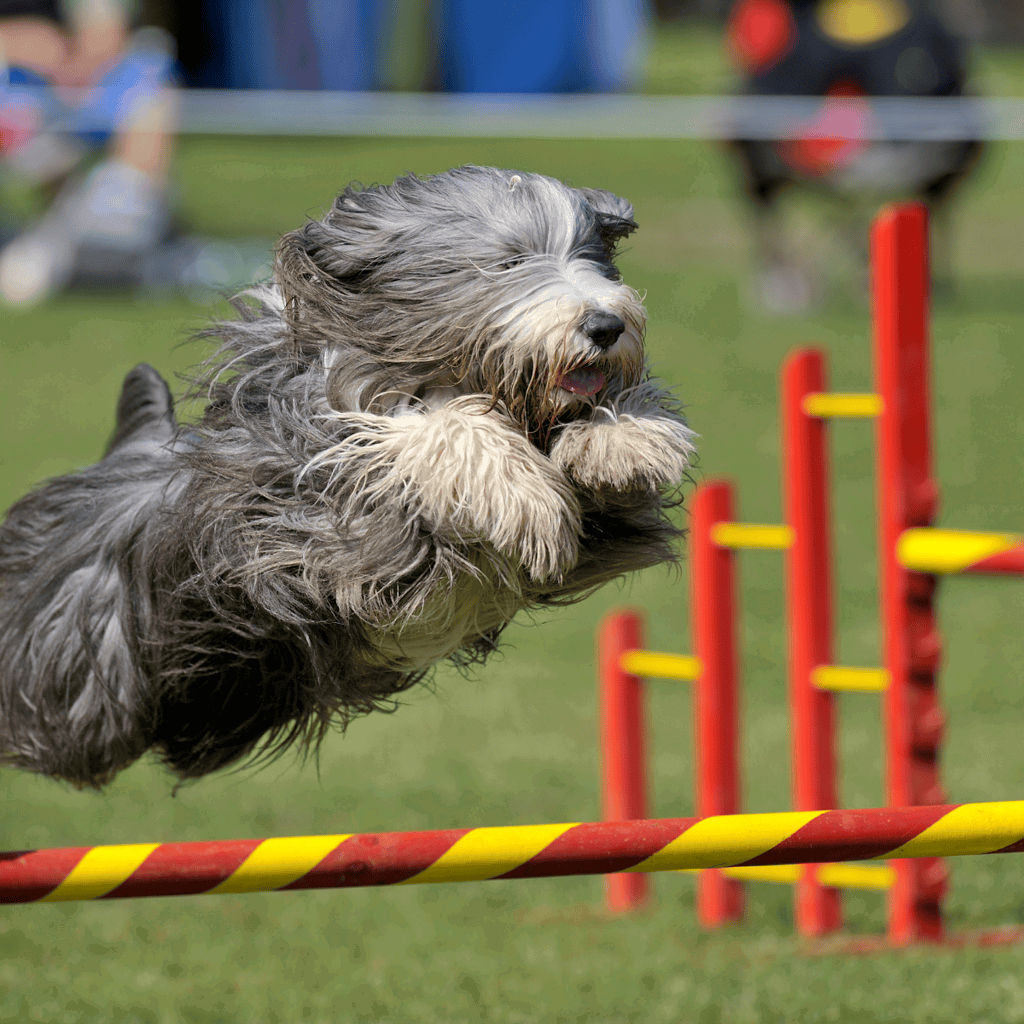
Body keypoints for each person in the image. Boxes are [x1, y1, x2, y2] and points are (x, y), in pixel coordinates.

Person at [0, 0, 177, 305]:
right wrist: (13, 41)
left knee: (149, 79)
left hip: (63, 96)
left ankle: (86, 246)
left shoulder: (136, 73)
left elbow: (103, 36)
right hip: (18, 104)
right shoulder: (29, 67)